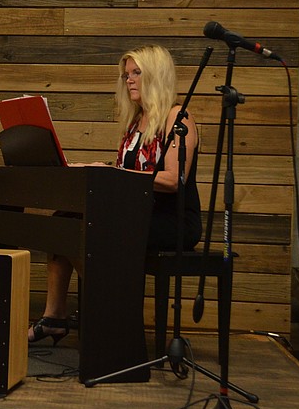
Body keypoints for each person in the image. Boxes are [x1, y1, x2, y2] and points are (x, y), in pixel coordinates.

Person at [29, 44, 202, 344]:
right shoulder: (136, 122)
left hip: (171, 220)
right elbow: (125, 174)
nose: (130, 80)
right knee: (65, 221)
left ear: (156, 75)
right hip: (137, 213)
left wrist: (112, 173)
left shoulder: (179, 118)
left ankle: (110, 309)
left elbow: (173, 180)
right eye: (126, 75)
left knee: (88, 229)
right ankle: (55, 316)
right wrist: (91, 169)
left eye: (137, 73)